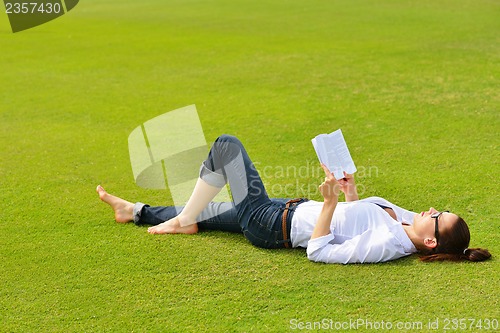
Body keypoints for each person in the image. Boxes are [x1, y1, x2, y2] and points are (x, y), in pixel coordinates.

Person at [97, 134, 491, 264]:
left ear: (432, 241)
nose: (430, 209)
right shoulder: (405, 221)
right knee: (212, 214)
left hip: (274, 226)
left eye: (437, 216)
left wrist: (332, 204)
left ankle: (182, 219)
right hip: (286, 209)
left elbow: (320, 251)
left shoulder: (388, 245)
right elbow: (359, 212)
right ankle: (134, 211)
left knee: (226, 146)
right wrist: (347, 188)